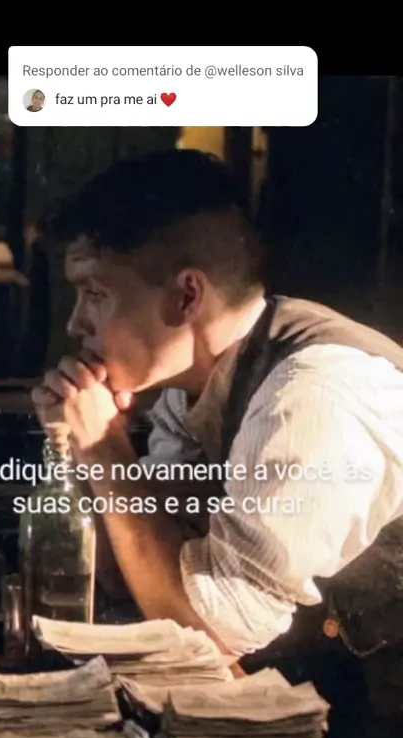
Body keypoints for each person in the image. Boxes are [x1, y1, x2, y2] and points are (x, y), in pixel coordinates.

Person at [32, 148, 403, 667]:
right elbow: (138, 570)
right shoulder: (193, 385)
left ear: (188, 297)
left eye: (95, 294)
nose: (76, 324)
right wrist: (77, 444)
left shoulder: (313, 395)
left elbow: (206, 631)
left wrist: (103, 448)